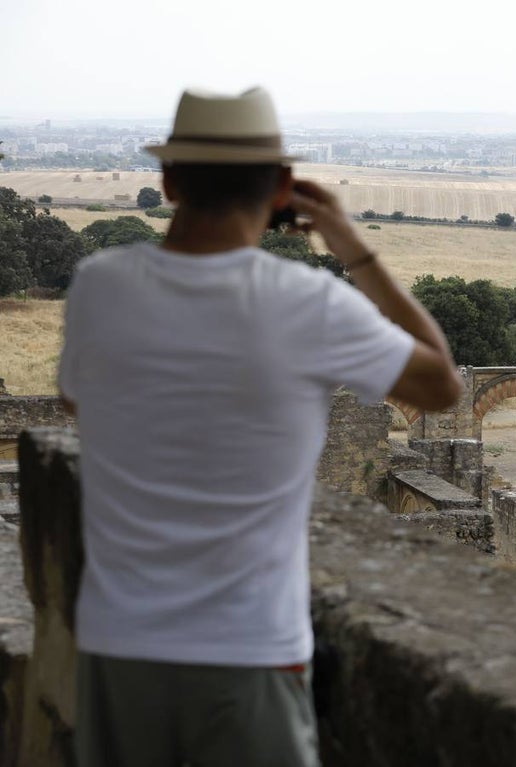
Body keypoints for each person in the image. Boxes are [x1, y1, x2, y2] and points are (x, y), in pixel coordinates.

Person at [57, 87, 462, 767]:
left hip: (117, 643)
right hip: (248, 648)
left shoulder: (99, 283)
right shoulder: (309, 303)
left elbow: (77, 402)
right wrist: (353, 247)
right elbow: (440, 385)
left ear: (169, 181)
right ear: (281, 188)